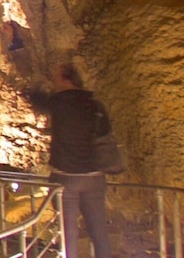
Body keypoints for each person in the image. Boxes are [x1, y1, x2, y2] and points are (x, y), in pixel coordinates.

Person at [29, 64, 115, 258]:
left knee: (68, 234)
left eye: (55, 78)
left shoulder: (58, 103)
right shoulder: (96, 105)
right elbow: (105, 133)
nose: (53, 82)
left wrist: (38, 82)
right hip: (94, 176)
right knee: (99, 230)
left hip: (66, 177)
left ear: (65, 79)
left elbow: (35, 100)